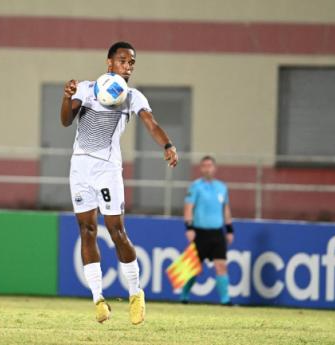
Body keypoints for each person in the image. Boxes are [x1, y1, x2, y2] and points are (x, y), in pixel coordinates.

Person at [60, 41, 178, 324]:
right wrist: (66, 98)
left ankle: (136, 293)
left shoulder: (132, 97)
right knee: (87, 230)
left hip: (107, 171)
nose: (128, 66)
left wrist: (168, 144)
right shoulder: (87, 89)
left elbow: (150, 123)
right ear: (109, 62)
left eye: (132, 63)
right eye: (123, 61)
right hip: (79, 169)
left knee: (116, 232)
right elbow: (66, 121)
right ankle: (98, 300)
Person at [181, 155, 234, 305]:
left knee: (221, 265)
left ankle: (225, 300)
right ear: (201, 168)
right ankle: (184, 295)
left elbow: (226, 210)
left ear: (214, 168)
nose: (207, 168)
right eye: (204, 165)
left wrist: (230, 229)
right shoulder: (195, 186)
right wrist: (189, 227)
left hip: (217, 233)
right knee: (194, 268)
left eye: (210, 165)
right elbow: (188, 208)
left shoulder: (222, 188)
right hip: (200, 233)